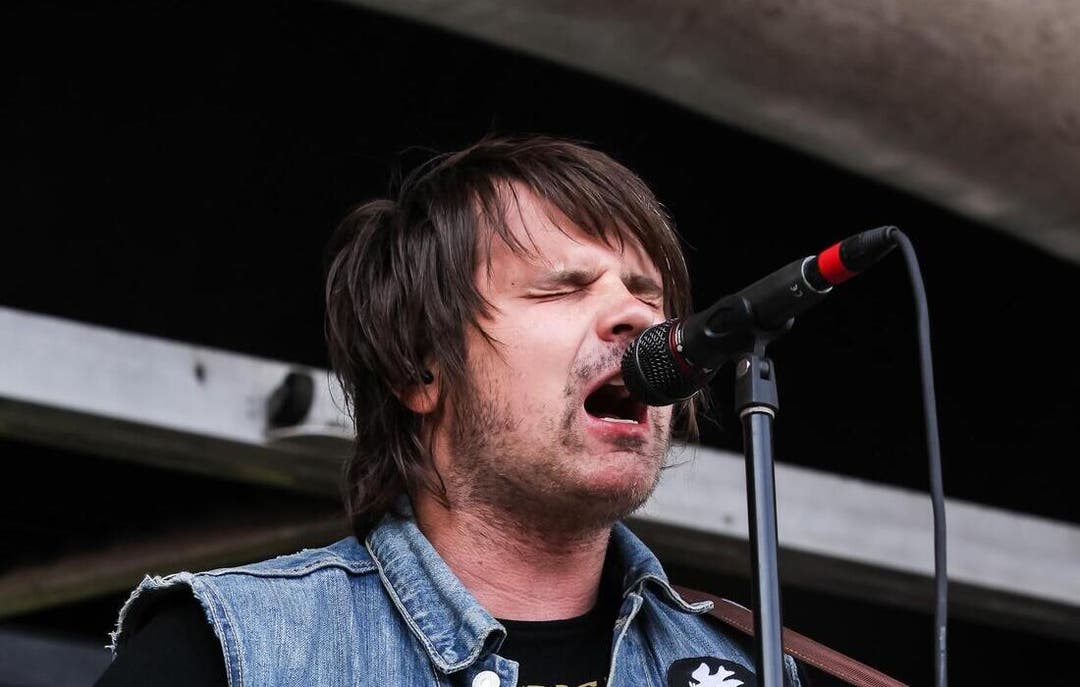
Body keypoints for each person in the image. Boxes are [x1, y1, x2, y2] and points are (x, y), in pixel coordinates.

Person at [96, 136, 880, 687]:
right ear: (418, 369)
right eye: (562, 287)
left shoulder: (754, 668)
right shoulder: (230, 653)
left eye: (647, 294)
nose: (637, 316)